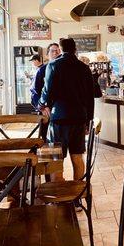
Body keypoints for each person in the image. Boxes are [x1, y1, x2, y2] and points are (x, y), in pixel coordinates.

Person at [39, 38, 94, 182]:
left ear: (61, 49)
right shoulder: (84, 67)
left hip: (59, 118)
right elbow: (90, 97)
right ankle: (78, 193)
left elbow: (47, 90)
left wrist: (41, 104)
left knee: (56, 158)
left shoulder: (53, 65)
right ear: (75, 49)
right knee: (77, 156)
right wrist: (89, 120)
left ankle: (59, 196)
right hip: (79, 118)